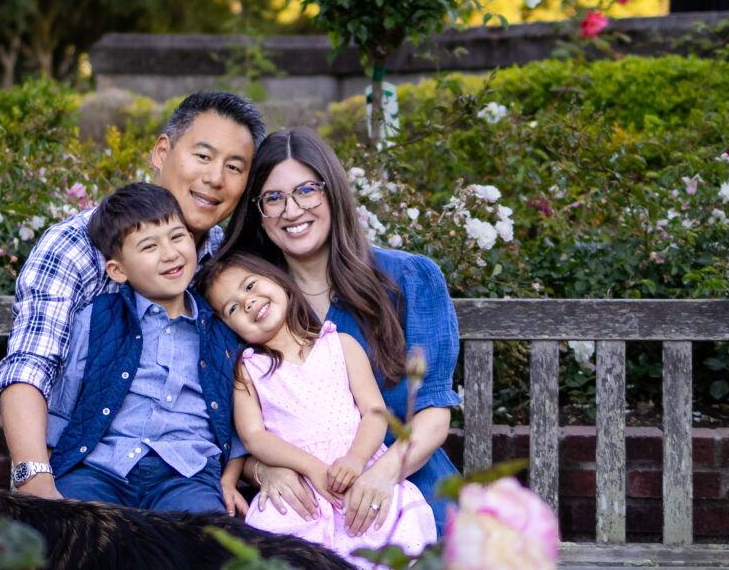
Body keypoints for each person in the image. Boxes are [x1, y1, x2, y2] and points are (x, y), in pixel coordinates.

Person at [0, 92, 266, 502]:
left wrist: (264, 467)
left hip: (186, 474)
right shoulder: (76, 246)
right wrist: (37, 481)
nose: (215, 178)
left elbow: (262, 373)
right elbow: (32, 364)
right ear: (161, 152)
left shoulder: (227, 266)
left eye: (234, 167)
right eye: (203, 156)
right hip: (94, 466)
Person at [216, 127, 461, 536]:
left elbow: (434, 414)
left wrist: (381, 475)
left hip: (408, 486)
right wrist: (264, 471)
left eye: (307, 190)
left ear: (332, 192)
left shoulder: (410, 279)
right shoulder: (249, 305)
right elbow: (241, 428)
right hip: (305, 510)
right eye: (273, 198)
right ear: (258, 212)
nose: (292, 211)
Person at [198, 252, 436, 565]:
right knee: (276, 540)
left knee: (389, 528)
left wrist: (356, 458)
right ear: (230, 327)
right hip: (297, 486)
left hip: (358, 474)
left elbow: (375, 412)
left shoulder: (340, 345)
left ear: (281, 282)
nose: (248, 302)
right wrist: (310, 467)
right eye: (232, 308)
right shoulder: (248, 369)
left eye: (251, 286)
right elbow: (254, 436)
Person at [44, 183, 247, 514]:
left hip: (187, 473)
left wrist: (228, 479)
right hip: (100, 467)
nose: (170, 253)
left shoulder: (221, 329)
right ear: (118, 270)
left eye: (177, 237)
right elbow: (64, 404)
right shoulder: (98, 318)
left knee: (208, 541)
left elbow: (236, 415)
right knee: (71, 530)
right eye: (149, 246)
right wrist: (50, 468)